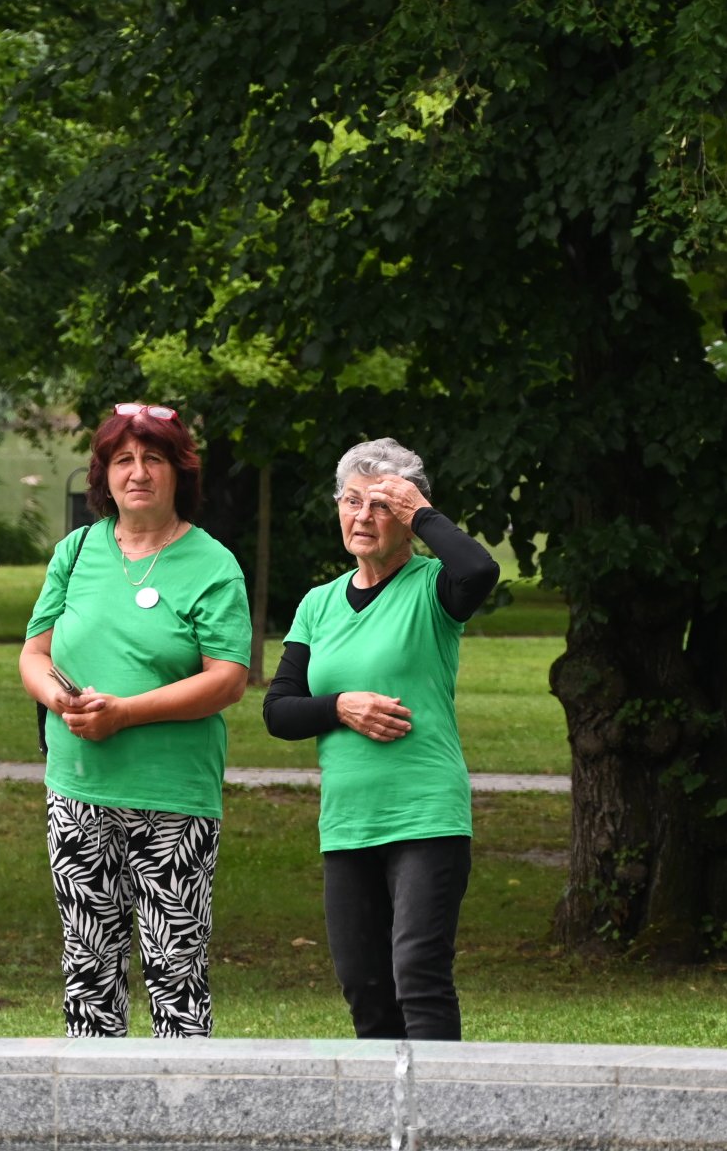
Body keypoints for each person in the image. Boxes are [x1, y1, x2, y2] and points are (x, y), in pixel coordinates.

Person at [18, 402, 252, 1037]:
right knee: (88, 968)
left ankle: (181, 1120)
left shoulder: (213, 564)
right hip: (78, 791)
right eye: (123, 459)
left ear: (179, 473)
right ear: (104, 474)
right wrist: (58, 699)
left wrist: (124, 714)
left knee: (176, 969)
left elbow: (228, 677)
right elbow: (34, 654)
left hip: (173, 796)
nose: (138, 472)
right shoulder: (77, 550)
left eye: (154, 459)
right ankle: (98, 1118)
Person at [261, 438, 500, 1039]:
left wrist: (420, 511)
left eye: (381, 505)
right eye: (351, 501)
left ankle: (435, 1125)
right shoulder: (318, 604)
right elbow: (280, 711)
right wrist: (340, 705)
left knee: (417, 974)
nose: (363, 517)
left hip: (426, 814)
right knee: (366, 988)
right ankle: (384, 1128)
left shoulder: (434, 588)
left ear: (409, 516)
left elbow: (479, 569)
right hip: (348, 822)